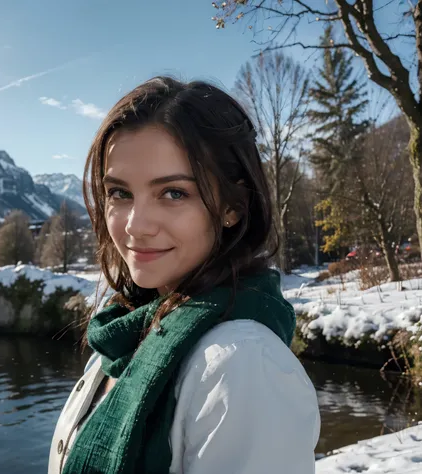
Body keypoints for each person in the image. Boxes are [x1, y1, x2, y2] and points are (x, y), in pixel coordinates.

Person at [48, 76, 320, 474]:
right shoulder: (126, 334)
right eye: (120, 193)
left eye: (174, 193)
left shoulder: (241, 368)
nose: (135, 226)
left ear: (233, 207)